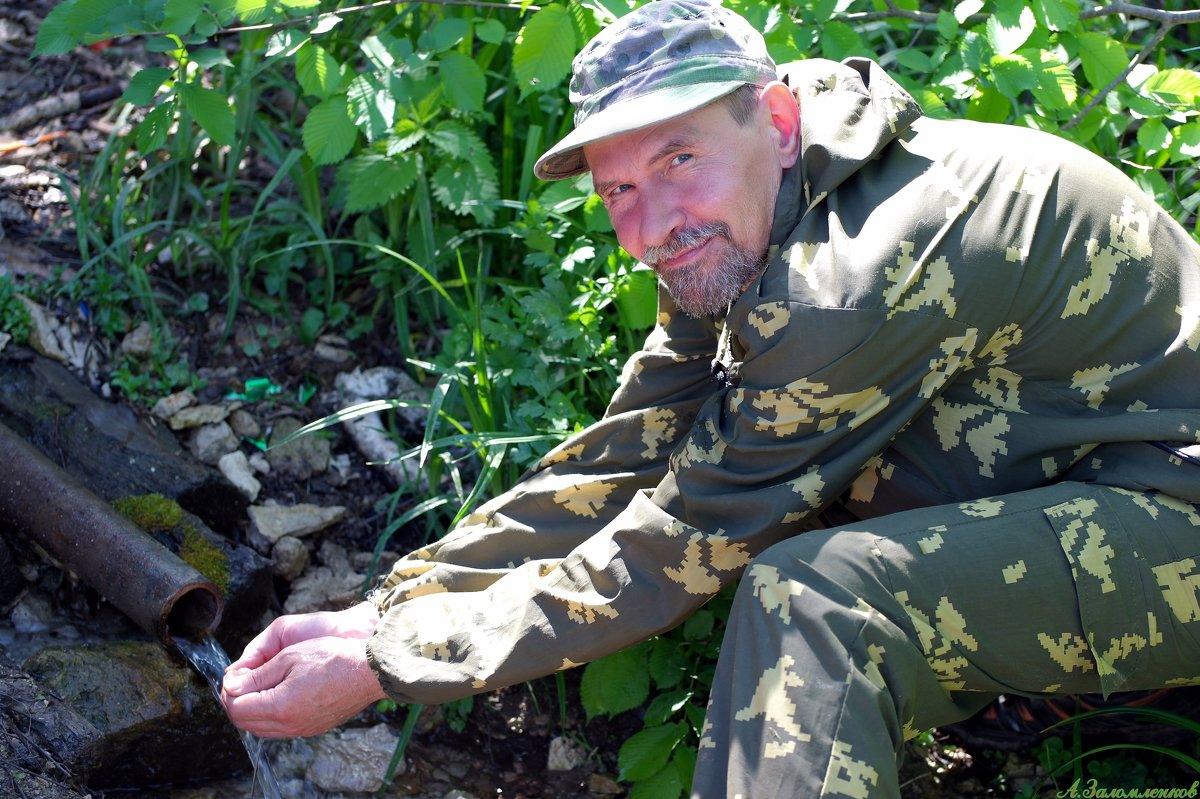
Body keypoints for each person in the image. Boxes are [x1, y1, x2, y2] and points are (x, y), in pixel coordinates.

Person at [221, 1, 1200, 795]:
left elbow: (681, 539)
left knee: (818, 596)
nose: (650, 228)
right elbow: (636, 449)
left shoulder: (849, 283)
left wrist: (395, 664)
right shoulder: (749, 213)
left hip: (1175, 523)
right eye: (618, 192)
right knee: (800, 503)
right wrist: (396, 606)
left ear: (773, 120)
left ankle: (1124, 686)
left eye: (676, 160)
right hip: (1082, 475)